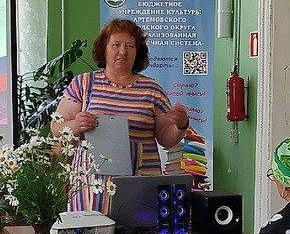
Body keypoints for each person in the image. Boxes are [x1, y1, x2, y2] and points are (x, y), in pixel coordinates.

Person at [51, 19, 191, 216]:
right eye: (116, 45)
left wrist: (180, 125)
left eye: (130, 46)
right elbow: (57, 127)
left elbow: (166, 139)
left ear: (137, 52)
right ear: (104, 49)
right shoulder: (83, 83)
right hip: (92, 186)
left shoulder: (152, 89)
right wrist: (75, 124)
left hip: (140, 182)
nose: (122, 52)